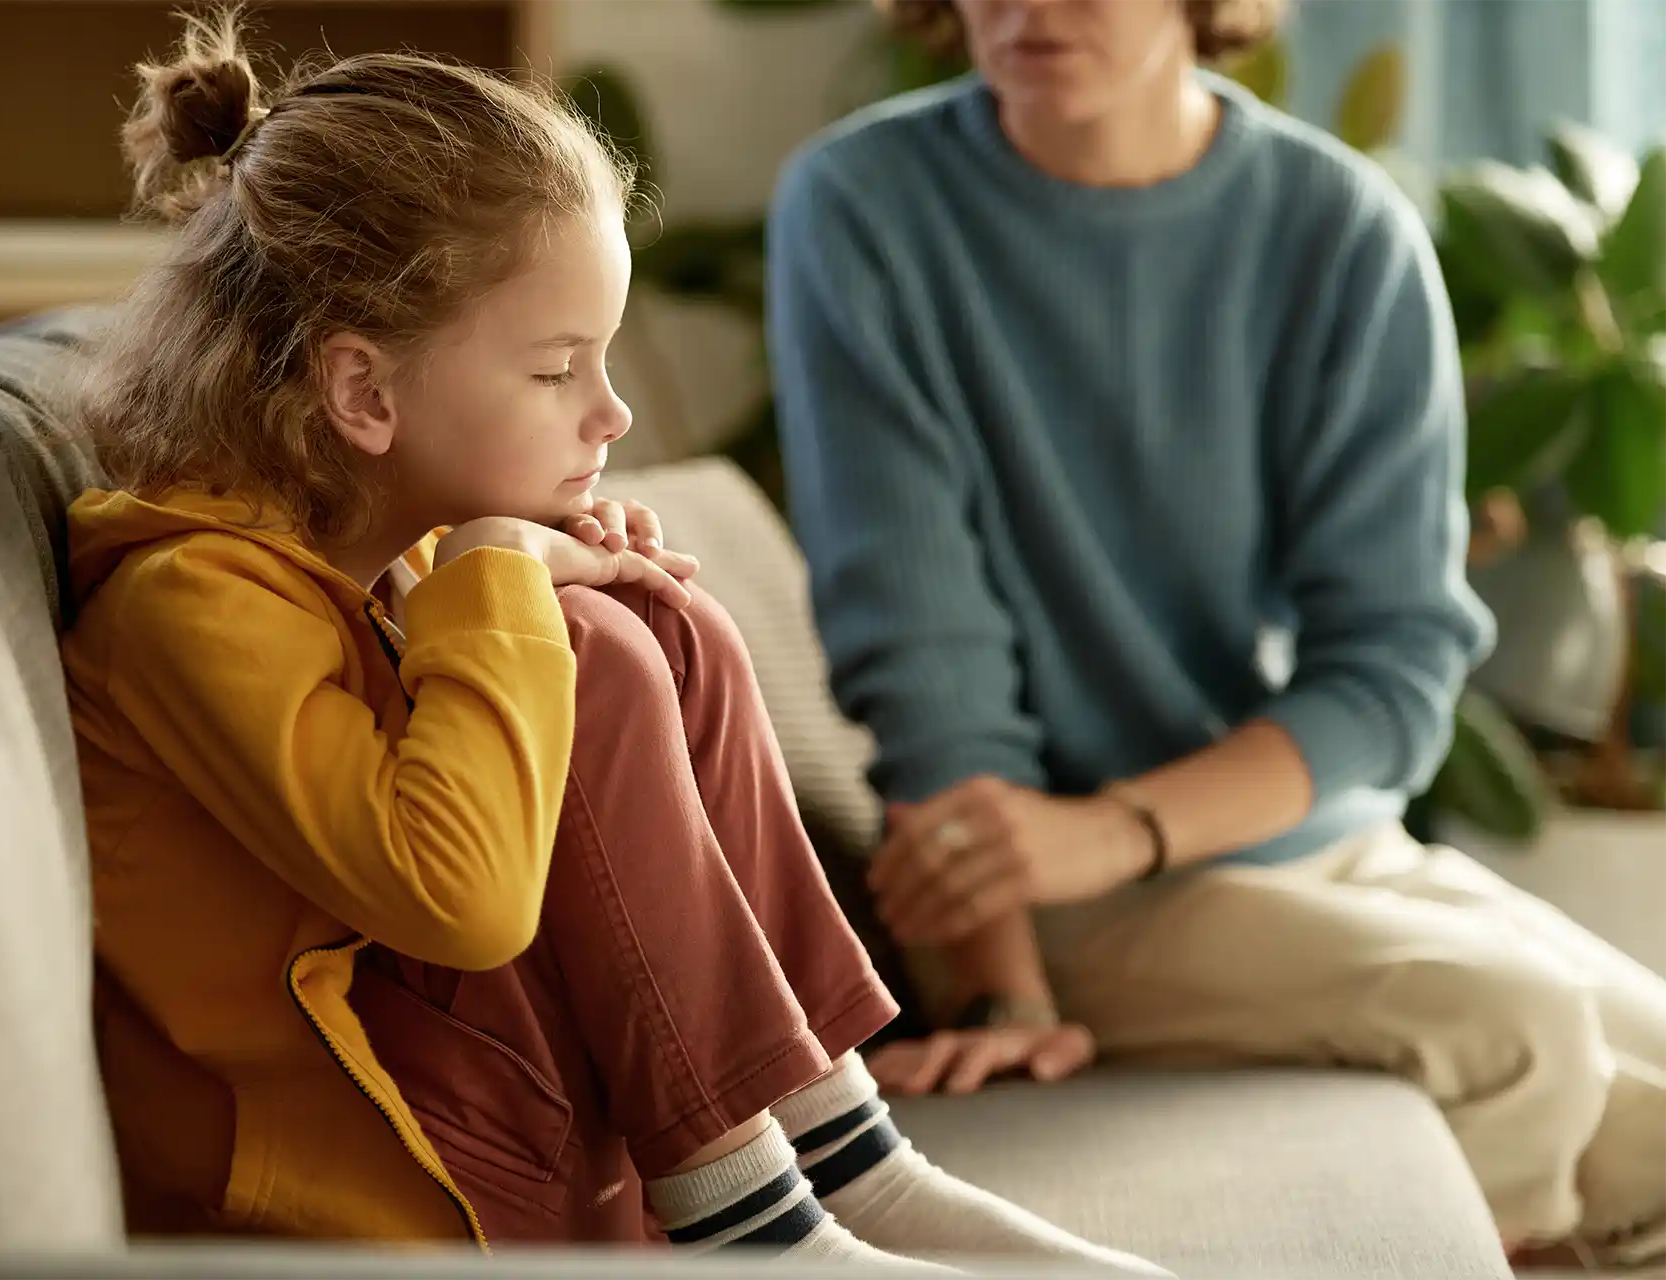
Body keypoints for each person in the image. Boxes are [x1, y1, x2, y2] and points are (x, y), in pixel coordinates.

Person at [59, 10, 1167, 1273]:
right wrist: (501, 577)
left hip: (472, 1111)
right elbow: (460, 903)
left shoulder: (366, 550)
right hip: (371, 1191)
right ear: (361, 393)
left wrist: (521, 579)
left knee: (645, 625)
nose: (613, 408)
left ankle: (838, 1151)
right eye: (556, 369)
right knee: (581, 646)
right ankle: (751, 1216)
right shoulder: (188, 602)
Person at [769, 0, 1666, 1268]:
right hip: (1041, 886)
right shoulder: (865, 205)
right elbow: (926, 658)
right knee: (1518, 1033)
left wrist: (1123, 824)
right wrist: (1006, 985)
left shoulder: (1341, 228)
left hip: (1295, 838)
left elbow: (1395, 666)